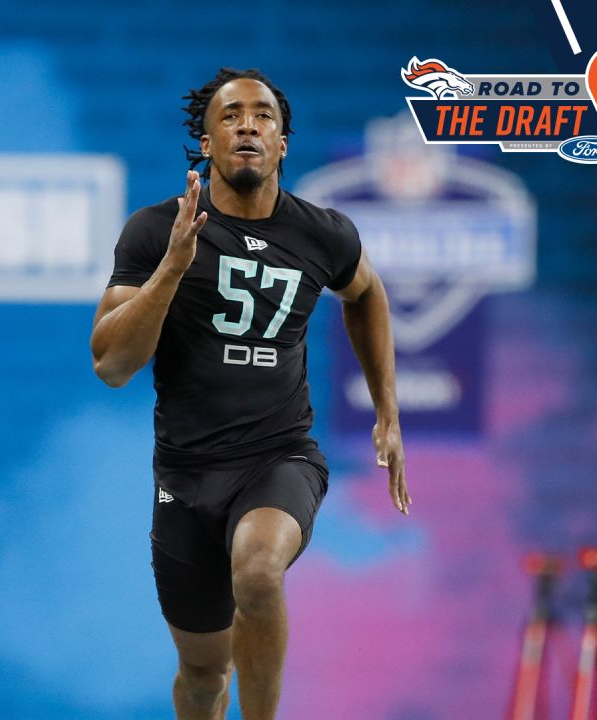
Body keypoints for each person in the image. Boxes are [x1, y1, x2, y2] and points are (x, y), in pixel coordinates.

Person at [90, 67, 410, 719]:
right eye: (230, 115)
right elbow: (112, 364)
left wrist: (388, 410)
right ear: (206, 143)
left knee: (259, 571)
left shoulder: (323, 233)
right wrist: (172, 270)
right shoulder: (156, 231)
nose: (248, 126)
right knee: (204, 675)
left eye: (263, 115)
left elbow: (366, 291)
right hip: (185, 477)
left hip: (279, 458)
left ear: (282, 143)